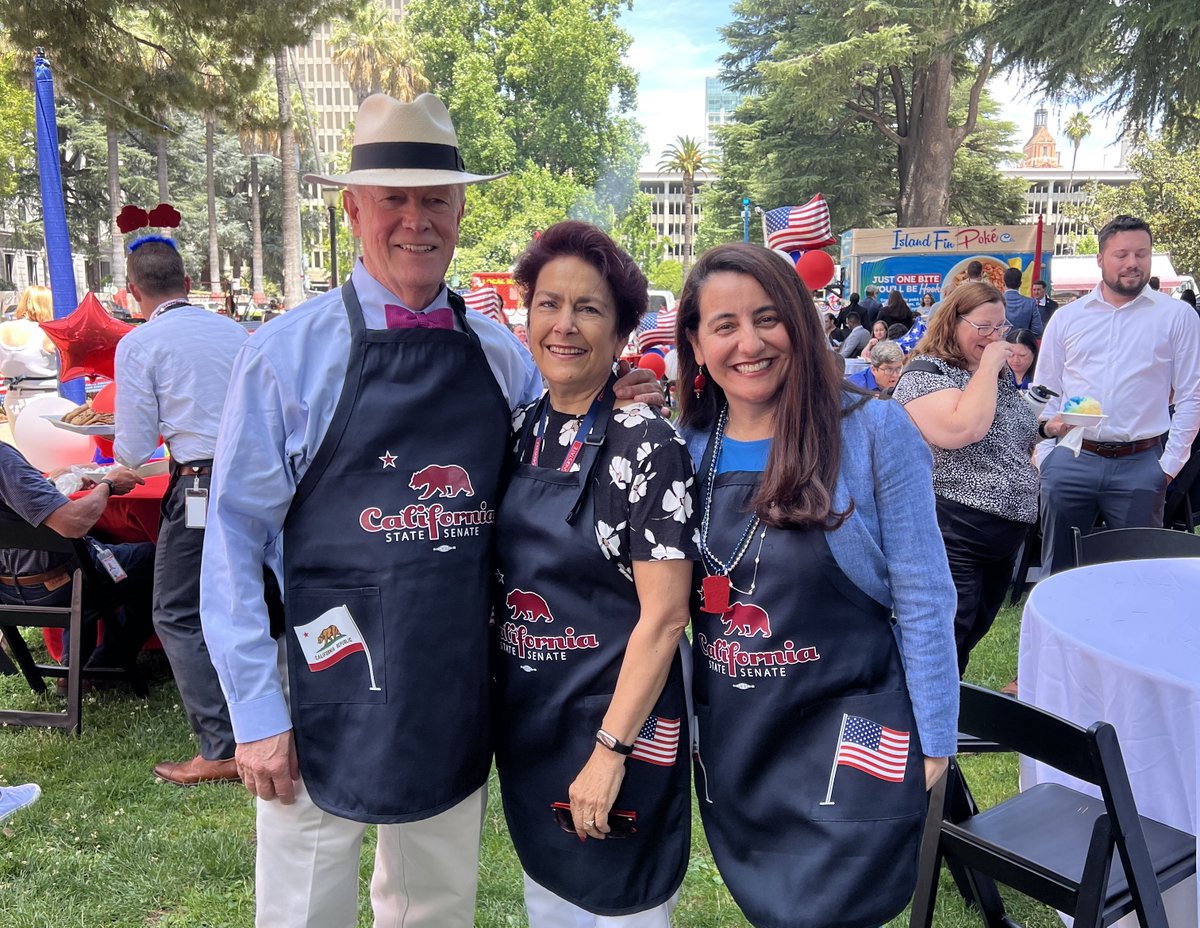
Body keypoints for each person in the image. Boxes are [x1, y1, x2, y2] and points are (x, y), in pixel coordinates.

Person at [198, 93, 659, 927]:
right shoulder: (282, 356)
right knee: (305, 910)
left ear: (459, 208)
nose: (415, 221)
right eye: (392, 200)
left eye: (433, 200)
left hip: (451, 683)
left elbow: (551, 461)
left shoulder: (500, 357)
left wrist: (608, 398)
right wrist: (256, 712)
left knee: (435, 908)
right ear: (352, 207)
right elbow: (233, 537)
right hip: (319, 685)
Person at [676, 244, 957, 928]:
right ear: (695, 342)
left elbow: (925, 595)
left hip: (850, 738)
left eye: (768, 318)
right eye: (724, 325)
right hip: (743, 745)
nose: (749, 342)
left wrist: (936, 742)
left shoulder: (873, 432)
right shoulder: (681, 449)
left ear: (800, 324)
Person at [493, 221, 697, 925]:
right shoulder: (520, 430)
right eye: (549, 303)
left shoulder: (649, 444)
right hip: (535, 723)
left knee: (619, 908)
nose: (564, 325)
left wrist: (610, 751)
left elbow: (667, 616)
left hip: (620, 725)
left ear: (621, 331)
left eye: (589, 309)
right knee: (548, 902)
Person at [114, 236, 248, 786]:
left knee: (175, 610)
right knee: (254, 599)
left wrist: (120, 464)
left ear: (133, 294)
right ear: (188, 285)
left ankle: (219, 745)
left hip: (200, 482)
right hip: (257, 477)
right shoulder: (236, 331)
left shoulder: (141, 343)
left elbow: (132, 445)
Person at [1037, 215, 1200, 574]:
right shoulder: (1067, 318)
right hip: (1072, 458)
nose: (1132, 263)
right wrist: (1045, 455)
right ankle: (1060, 628)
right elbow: (1047, 390)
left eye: (1142, 254)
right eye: (1121, 254)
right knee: (1060, 572)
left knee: (1136, 574)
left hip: (1141, 463)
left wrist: (1168, 467)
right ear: (1100, 258)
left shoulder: (1177, 316)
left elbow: (1192, 395)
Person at [892, 282, 1039, 674]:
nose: (995, 337)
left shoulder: (998, 376)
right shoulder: (926, 374)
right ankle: (922, 724)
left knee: (971, 632)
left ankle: (946, 714)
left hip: (1006, 531)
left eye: (1000, 327)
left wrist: (1045, 431)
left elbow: (1010, 431)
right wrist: (991, 365)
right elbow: (963, 429)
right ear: (953, 323)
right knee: (944, 637)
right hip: (955, 526)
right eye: (984, 327)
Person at [0, 443, 154, 675]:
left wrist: (51, 484)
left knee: (90, 549)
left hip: (8, 590)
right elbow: (74, 523)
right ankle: (107, 662)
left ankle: (73, 667)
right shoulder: (3, 458)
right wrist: (108, 485)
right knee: (161, 561)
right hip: (51, 586)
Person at [1, 285, 57, 422]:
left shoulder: (2, 329)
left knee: (23, 443)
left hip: (13, 398)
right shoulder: (46, 332)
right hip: (46, 397)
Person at [1001, 266, 1043, 336]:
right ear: (1020, 283)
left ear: (1003, 282)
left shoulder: (995, 301)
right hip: (1022, 343)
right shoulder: (1030, 303)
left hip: (1000, 344)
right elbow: (1038, 330)